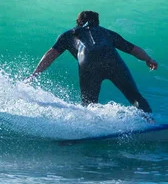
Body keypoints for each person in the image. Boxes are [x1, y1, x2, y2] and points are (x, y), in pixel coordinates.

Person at [28, 11, 158, 115]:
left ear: (78, 22)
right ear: (97, 22)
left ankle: (90, 129)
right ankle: (150, 122)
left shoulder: (69, 35)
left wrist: (34, 74)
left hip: (88, 62)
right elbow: (132, 49)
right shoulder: (107, 33)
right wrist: (148, 59)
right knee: (135, 97)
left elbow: (50, 55)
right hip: (111, 60)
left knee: (89, 105)